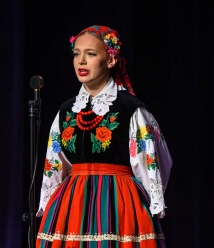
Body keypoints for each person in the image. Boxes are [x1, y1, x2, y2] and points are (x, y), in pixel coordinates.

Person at [36, 25, 172, 248]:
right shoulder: (67, 110)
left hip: (119, 200)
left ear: (110, 60)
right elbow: (55, 163)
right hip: (73, 202)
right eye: (77, 54)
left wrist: (150, 201)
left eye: (90, 54)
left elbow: (154, 159)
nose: (81, 61)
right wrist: (51, 201)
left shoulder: (131, 109)